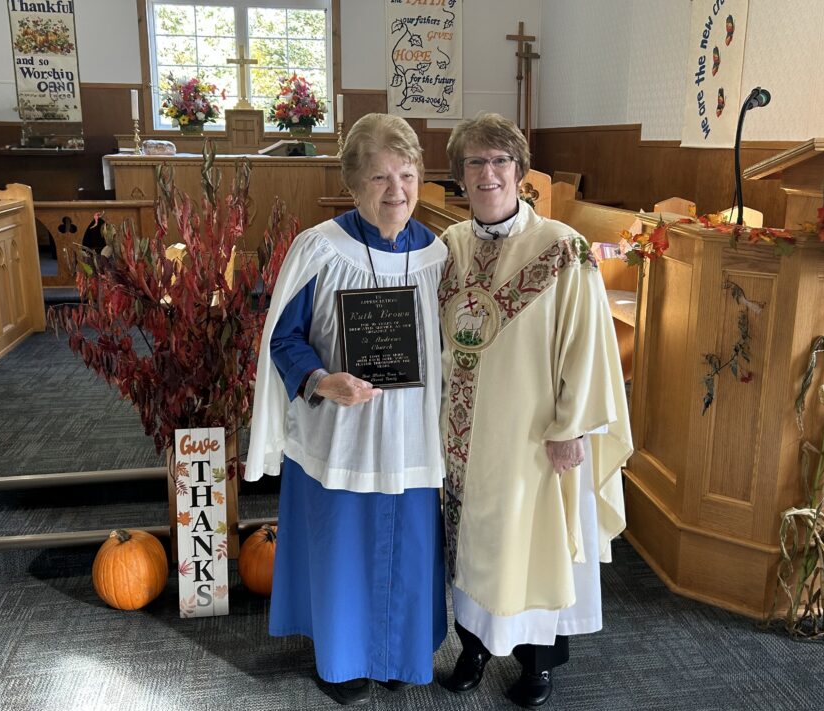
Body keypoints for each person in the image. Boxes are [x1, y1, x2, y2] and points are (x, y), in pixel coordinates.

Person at [245, 113, 448, 706]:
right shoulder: (320, 250)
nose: (397, 191)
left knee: (408, 546)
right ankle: (342, 662)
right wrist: (320, 379)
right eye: (381, 178)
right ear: (354, 184)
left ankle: (398, 657)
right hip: (341, 432)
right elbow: (283, 339)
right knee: (344, 551)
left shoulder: (437, 255)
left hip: (410, 437)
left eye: (407, 175)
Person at [436, 113, 633, 708]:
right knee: (472, 543)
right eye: (475, 162)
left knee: (534, 548)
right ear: (460, 178)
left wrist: (572, 427)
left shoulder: (562, 248)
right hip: (463, 437)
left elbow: (589, 344)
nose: (488, 172)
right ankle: (472, 648)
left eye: (500, 161)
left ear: (520, 173)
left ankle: (537, 664)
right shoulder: (449, 247)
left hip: (533, 436)